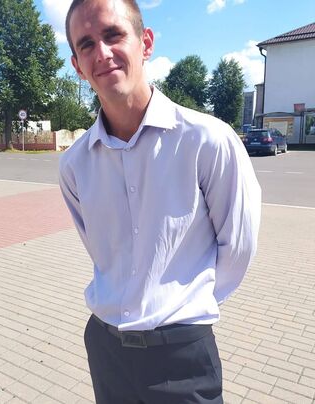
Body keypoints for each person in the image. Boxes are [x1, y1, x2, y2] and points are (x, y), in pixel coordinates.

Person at [59, 0, 261, 403]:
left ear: (145, 43)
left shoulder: (207, 140)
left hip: (182, 358)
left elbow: (238, 248)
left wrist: (182, 310)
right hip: (107, 352)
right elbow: (101, 253)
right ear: (78, 66)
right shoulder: (74, 164)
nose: (102, 53)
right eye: (86, 44)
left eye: (113, 35)